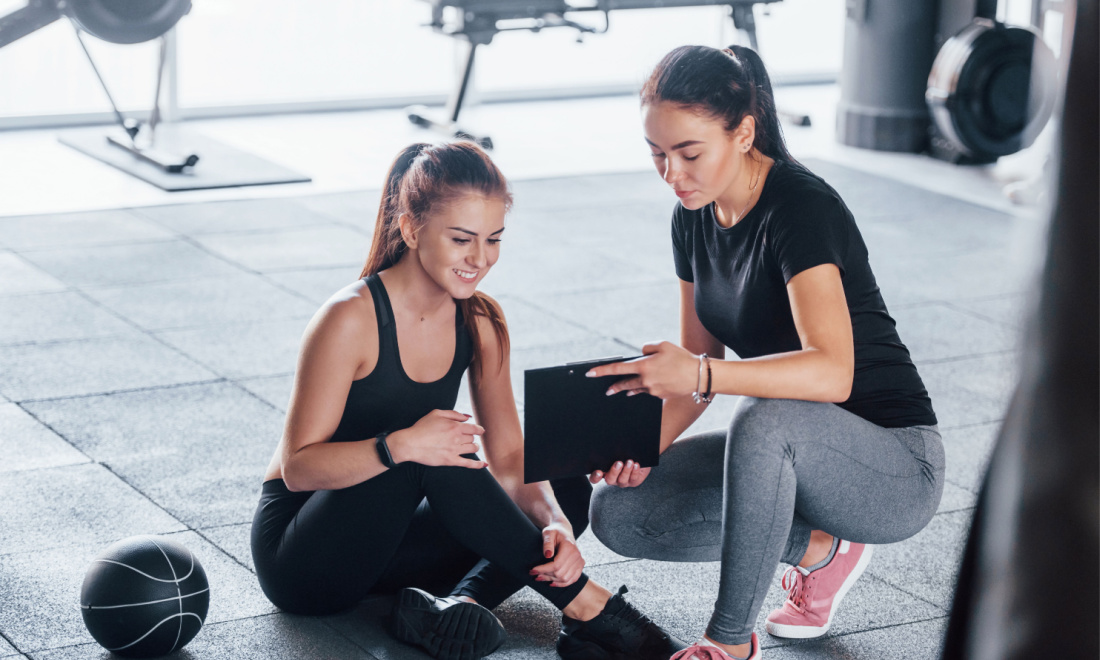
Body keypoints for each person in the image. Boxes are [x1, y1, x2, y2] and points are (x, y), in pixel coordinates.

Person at [249, 141, 685, 660]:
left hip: (391, 543)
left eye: (493, 239)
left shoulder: (480, 321)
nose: (480, 259)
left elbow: (509, 456)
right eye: (461, 239)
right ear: (411, 229)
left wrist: (553, 522)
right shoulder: (349, 319)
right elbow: (298, 469)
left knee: (559, 477)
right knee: (434, 450)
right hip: (305, 558)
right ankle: (594, 610)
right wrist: (400, 445)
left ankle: (455, 605)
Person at [586, 45, 944, 660]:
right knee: (618, 512)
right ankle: (821, 553)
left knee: (761, 412)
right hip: (783, 454)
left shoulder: (801, 207)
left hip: (893, 464)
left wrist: (698, 371)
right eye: (658, 155)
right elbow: (697, 373)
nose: (674, 174)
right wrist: (640, 451)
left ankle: (728, 643)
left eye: (689, 153)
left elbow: (832, 372)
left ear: (744, 132)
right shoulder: (692, 217)